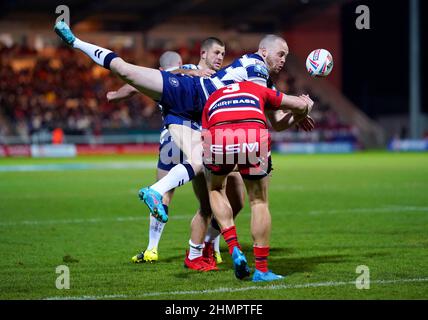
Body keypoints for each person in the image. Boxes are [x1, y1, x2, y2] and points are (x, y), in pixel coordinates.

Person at [201, 81, 314, 282]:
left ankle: (234, 248)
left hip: (219, 135)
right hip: (253, 134)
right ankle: (261, 270)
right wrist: (306, 107)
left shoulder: (214, 96)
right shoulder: (256, 88)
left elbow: (205, 133)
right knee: (258, 201)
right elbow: (297, 106)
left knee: (216, 188)